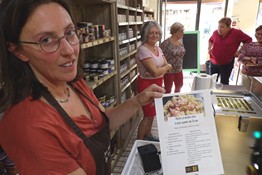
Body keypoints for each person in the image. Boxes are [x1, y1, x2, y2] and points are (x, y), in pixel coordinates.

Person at [0, 1, 166, 175]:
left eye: (70, 32)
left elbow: (103, 123)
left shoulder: (74, 84)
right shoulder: (28, 125)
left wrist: (138, 100)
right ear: (18, 51)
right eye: (46, 40)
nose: (69, 50)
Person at [136, 21, 172, 141]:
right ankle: (139, 141)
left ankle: (148, 135)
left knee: (152, 115)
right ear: (145, 34)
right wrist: (163, 69)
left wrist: (162, 68)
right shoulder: (143, 50)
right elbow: (156, 72)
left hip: (157, 84)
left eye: (157, 33)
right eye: (151, 33)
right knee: (147, 116)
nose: (155, 35)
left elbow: (167, 65)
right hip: (146, 86)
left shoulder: (157, 48)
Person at [208, 17, 252, 85]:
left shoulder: (236, 33)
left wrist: (240, 51)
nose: (219, 29)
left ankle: (222, 95)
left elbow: (249, 40)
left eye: (222, 27)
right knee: (212, 82)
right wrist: (209, 49)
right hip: (214, 62)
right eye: (218, 27)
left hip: (227, 63)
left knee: (224, 82)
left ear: (229, 27)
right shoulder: (215, 33)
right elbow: (210, 40)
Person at [160, 22, 186, 93]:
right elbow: (160, 55)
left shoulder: (180, 40)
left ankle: (177, 100)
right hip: (169, 70)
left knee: (179, 85)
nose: (183, 32)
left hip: (179, 69)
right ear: (175, 32)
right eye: (181, 31)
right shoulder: (166, 43)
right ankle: (167, 101)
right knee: (168, 88)